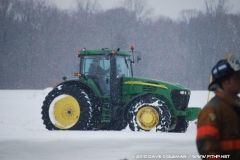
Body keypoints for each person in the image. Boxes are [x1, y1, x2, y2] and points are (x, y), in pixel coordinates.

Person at [196, 53, 240, 159]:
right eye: (237, 77)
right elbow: (208, 151)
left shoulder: (235, 106)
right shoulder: (211, 111)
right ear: (225, 81)